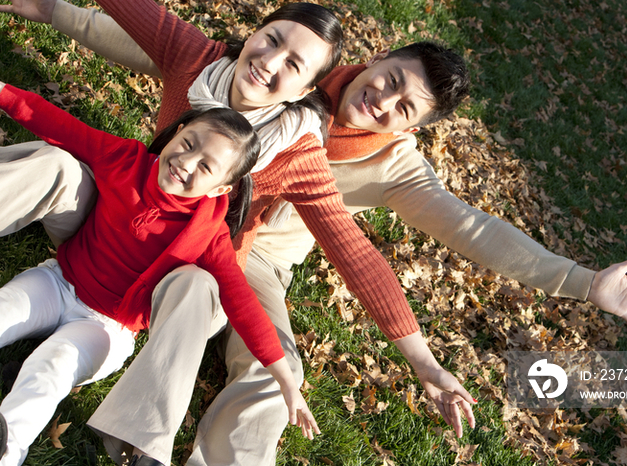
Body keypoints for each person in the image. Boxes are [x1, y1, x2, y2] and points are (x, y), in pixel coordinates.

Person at [0, 1, 483, 465]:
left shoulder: (296, 153)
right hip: (109, 223)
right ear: (254, 31)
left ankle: (141, 445)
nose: (269, 63)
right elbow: (132, 10)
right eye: (271, 40)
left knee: (214, 305)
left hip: (168, 277)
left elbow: (352, 250)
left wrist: (424, 363)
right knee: (57, 165)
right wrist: (51, 10)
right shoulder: (198, 59)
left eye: (294, 64)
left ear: (305, 89)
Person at [0, 82, 321, 466]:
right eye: (188, 144)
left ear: (221, 187)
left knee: (49, 369)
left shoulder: (209, 233)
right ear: (177, 132)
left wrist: (286, 379)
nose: (186, 163)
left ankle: (8, 448)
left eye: (205, 166)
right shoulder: (126, 159)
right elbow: (60, 125)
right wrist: (4, 93)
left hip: (108, 329)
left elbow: (241, 301)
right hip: (57, 282)